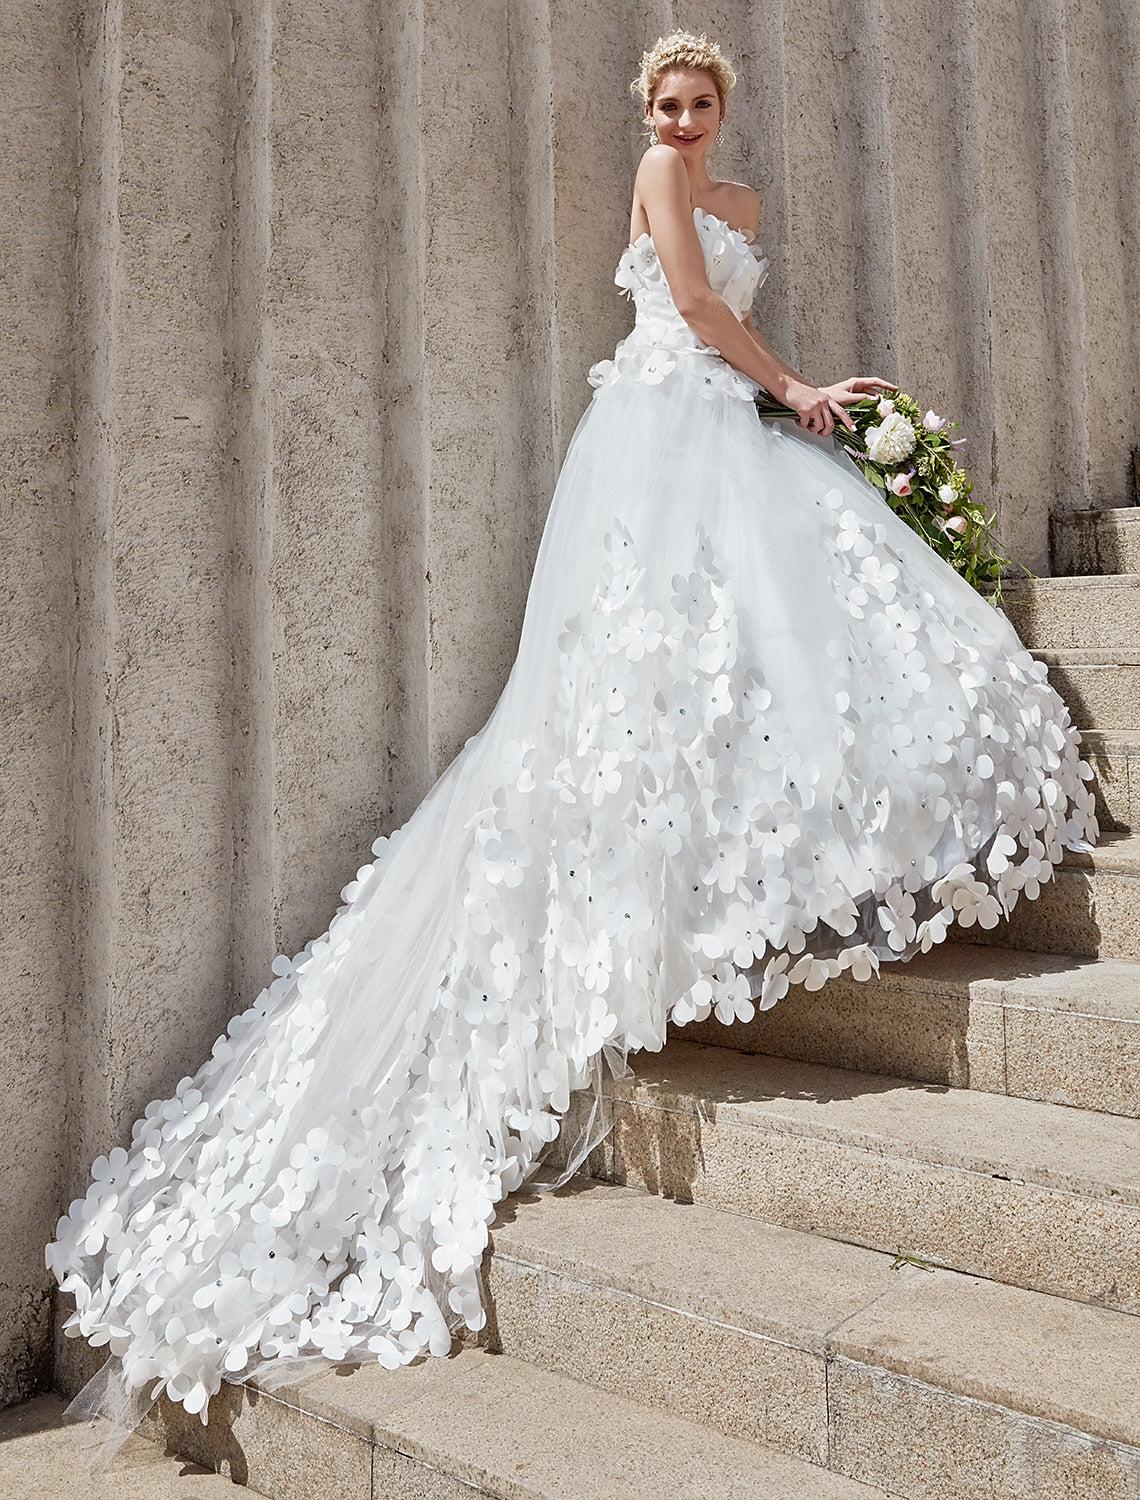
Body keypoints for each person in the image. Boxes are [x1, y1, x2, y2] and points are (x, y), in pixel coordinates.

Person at [49, 30, 1097, 1438]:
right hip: (674, 431)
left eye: (696, 103)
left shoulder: (748, 202)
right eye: (662, 104)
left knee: (765, 656)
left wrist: (785, 394)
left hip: (725, 423)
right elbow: (686, 308)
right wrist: (796, 388)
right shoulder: (665, 186)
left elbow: (721, 290)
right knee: (637, 675)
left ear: (727, 106)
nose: (675, 121)